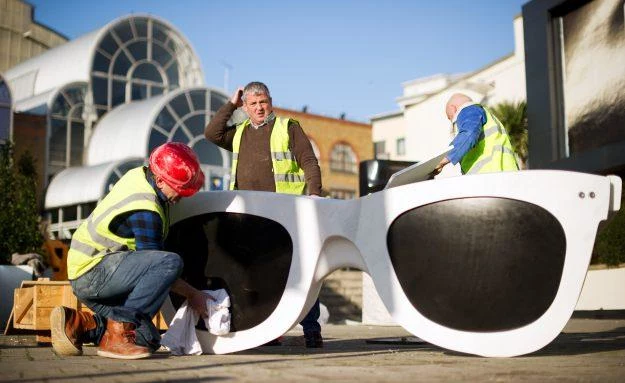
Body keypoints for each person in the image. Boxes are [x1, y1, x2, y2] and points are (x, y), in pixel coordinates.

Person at [50, 142, 214, 360]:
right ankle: (116, 336)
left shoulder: (142, 176)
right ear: (160, 180)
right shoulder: (145, 210)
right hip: (93, 271)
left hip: (97, 271)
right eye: (179, 189)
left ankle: (79, 323)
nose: (182, 196)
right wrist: (194, 295)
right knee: (170, 263)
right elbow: (159, 268)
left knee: (147, 339)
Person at [204, 81, 324, 348]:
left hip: (287, 213)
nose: (260, 108)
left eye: (264, 102)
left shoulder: (287, 127)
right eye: (253, 104)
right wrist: (230, 105)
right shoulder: (238, 133)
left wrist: (315, 193)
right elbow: (211, 133)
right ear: (245, 107)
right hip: (250, 218)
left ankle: (312, 329)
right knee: (259, 276)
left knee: (303, 271)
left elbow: (308, 160)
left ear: (271, 102)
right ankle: (270, 332)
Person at [433, 93, 519, 176]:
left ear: (453, 109)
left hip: (489, 177)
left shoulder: (468, 110)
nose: (452, 121)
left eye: (450, 117)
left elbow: (468, 135)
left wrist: (442, 161)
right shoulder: (486, 115)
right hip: (504, 174)